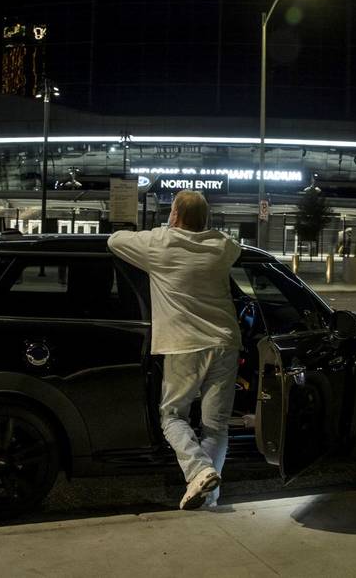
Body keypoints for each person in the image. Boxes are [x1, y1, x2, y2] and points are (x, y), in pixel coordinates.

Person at [107, 190, 241, 509]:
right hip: (225, 343)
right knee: (216, 425)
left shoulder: (161, 244)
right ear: (206, 219)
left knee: (172, 416)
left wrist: (164, 229)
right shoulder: (222, 247)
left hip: (184, 345)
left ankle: (199, 470)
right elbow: (234, 247)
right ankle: (208, 495)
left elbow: (115, 240)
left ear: (174, 215)